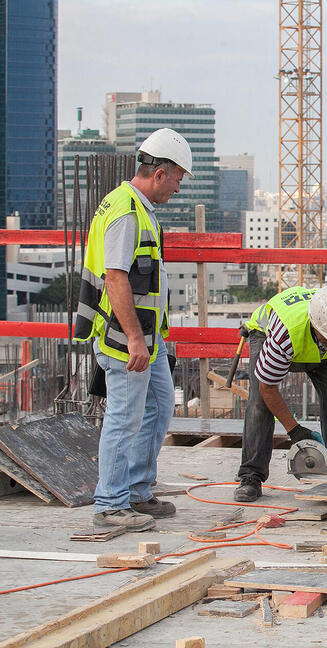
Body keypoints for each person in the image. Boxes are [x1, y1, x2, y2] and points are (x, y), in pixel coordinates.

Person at [73, 128, 192, 531]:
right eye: (177, 179)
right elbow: (116, 278)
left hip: (147, 338)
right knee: (124, 418)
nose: (178, 188)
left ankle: (137, 489)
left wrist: (155, 338)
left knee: (159, 406)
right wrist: (137, 340)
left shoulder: (132, 206)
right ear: (160, 173)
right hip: (126, 339)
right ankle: (110, 503)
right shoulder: (126, 212)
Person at [233, 284, 327, 502]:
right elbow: (268, 387)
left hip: (315, 349)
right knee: (259, 405)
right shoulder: (284, 336)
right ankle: (251, 476)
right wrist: (294, 430)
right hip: (267, 333)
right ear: (315, 325)